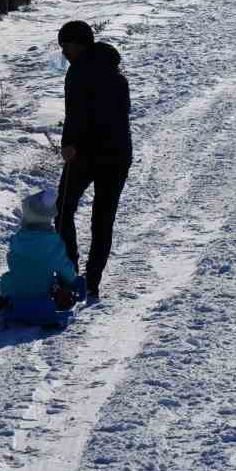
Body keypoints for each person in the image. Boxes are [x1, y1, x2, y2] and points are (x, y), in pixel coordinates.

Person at [56, 20, 132, 302]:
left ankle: (70, 273)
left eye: (66, 45)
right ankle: (92, 282)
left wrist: (68, 145)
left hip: (86, 154)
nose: (64, 52)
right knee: (103, 220)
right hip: (119, 155)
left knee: (62, 211)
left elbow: (76, 112)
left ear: (80, 43)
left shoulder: (78, 71)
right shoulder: (116, 72)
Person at [1, 189, 83, 322]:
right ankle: (47, 306)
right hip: (42, 292)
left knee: (6, 281)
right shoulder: (53, 242)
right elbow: (63, 267)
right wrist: (71, 280)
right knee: (51, 283)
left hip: (16, 289)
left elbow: (11, 261)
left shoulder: (16, 239)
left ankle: (2, 303)